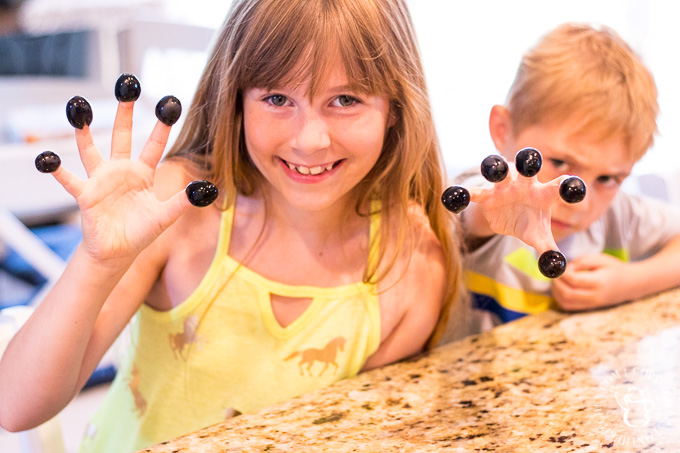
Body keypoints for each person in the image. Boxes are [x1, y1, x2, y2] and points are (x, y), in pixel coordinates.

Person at [0, 0, 467, 451]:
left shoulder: (409, 262)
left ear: (396, 109)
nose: (309, 139)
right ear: (236, 100)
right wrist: (97, 261)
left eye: (345, 100)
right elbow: (15, 406)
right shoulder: (177, 208)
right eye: (278, 98)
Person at [454, 23, 680, 330]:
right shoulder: (492, 198)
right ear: (503, 130)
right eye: (560, 162)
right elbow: (465, 221)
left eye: (607, 179)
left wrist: (631, 281)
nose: (578, 201)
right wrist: (484, 213)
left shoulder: (620, 215)